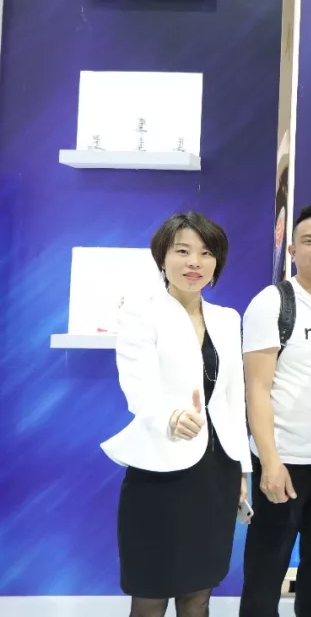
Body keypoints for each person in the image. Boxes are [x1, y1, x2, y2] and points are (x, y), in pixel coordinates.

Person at [101, 212, 250, 617]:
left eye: (206, 253)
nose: (194, 262)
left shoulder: (227, 319)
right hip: (160, 470)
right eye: (182, 251)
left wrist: (241, 470)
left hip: (217, 472)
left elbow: (233, 399)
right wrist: (170, 416)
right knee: (150, 595)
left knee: (198, 595)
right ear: (162, 258)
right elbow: (138, 386)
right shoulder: (140, 313)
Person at [240, 205, 311, 617]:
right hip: (285, 461)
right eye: (309, 241)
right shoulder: (272, 302)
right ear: (292, 251)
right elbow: (256, 388)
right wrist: (269, 461)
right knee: (266, 570)